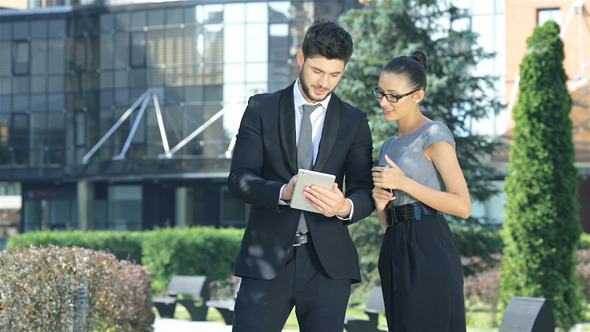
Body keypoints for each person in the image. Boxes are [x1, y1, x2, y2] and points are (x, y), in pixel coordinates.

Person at [227, 18, 375, 332]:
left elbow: (364, 191)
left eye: (335, 74)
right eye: (317, 70)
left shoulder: (354, 121)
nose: (325, 82)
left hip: (328, 266)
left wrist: (344, 207)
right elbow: (239, 178)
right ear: (300, 58)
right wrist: (282, 192)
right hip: (266, 259)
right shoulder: (261, 109)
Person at [371, 51, 470, 331]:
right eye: (380, 93)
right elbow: (387, 222)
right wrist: (381, 206)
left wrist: (404, 183)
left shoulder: (434, 135)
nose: (384, 102)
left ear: (418, 95)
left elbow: (463, 205)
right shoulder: (389, 145)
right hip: (394, 246)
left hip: (428, 245)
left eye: (393, 95)